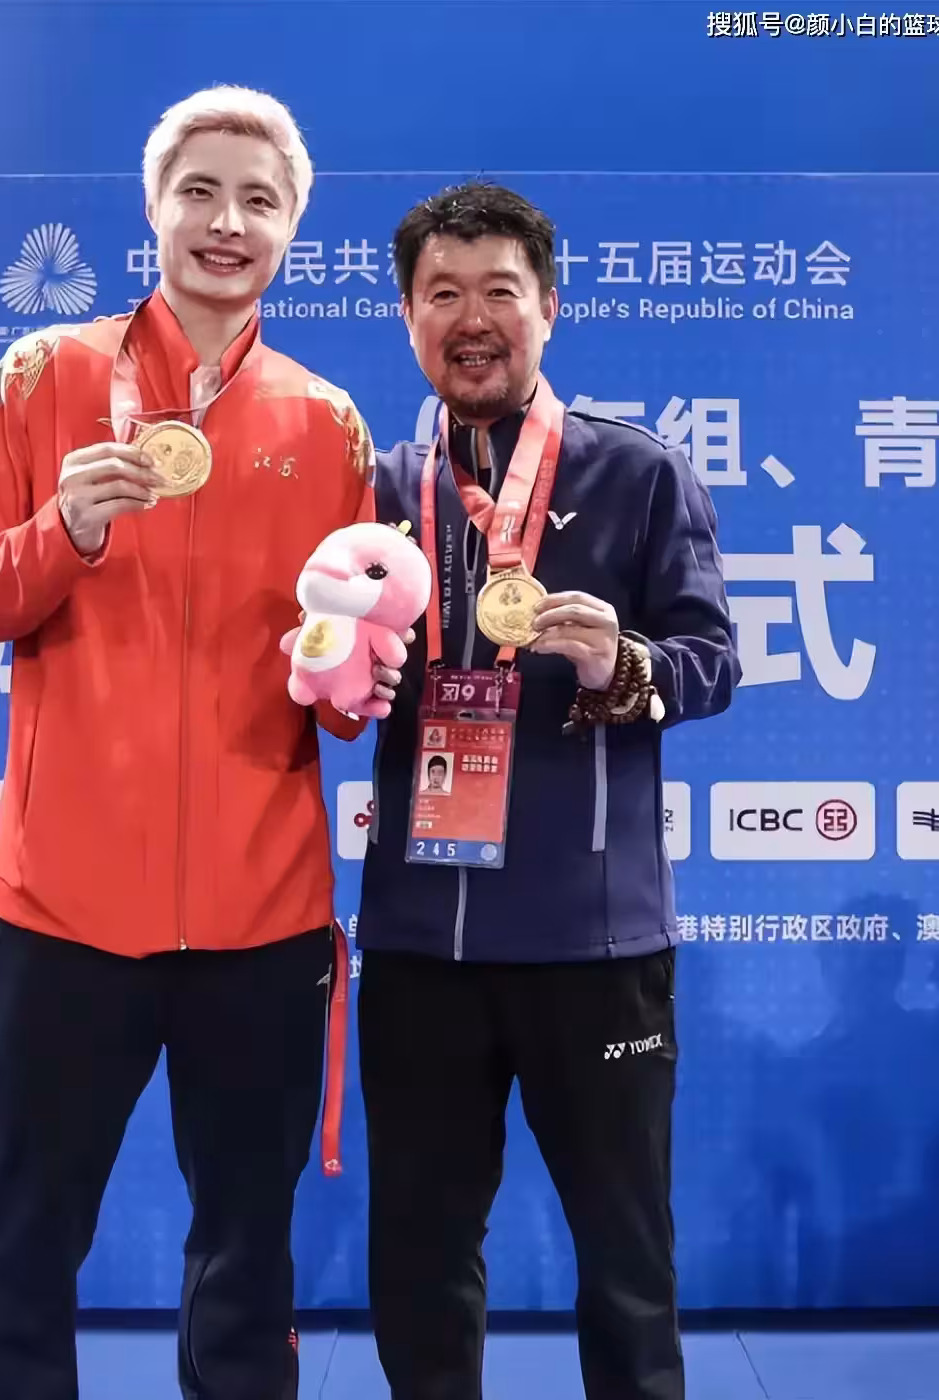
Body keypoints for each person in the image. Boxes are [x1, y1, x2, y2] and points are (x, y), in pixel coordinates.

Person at [0, 86, 400, 1400]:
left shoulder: (327, 424)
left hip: (262, 917)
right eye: (201, 191)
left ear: (292, 229)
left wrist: (354, 679)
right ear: (153, 208)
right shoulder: (43, 378)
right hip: (65, 905)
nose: (227, 222)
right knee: (28, 1239)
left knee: (246, 1254)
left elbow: (340, 693)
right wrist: (64, 530)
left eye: (260, 200)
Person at [356, 182, 741, 1400]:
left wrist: (626, 664)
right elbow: (327, 676)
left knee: (626, 1262)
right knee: (420, 1256)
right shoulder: (380, 489)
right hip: (419, 942)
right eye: (442, 293)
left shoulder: (640, 472)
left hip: (596, 944)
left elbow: (714, 661)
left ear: (550, 307)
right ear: (409, 315)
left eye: (499, 292)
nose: (471, 317)